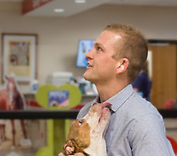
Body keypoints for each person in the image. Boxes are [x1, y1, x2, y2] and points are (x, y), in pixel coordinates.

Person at [60, 24, 174, 156]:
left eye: (99, 49)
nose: (88, 54)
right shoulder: (86, 112)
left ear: (121, 65)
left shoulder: (143, 119)